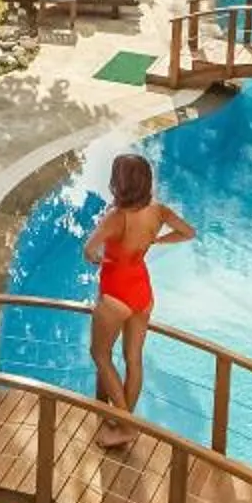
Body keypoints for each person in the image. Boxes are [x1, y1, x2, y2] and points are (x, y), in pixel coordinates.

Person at [81, 152, 194, 449]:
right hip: (142, 291)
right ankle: (120, 424)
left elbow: (89, 249)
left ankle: (127, 426)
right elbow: (187, 232)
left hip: (117, 293)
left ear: (118, 182)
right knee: (133, 360)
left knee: (100, 355)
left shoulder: (116, 217)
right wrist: (157, 240)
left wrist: (99, 259)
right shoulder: (159, 211)